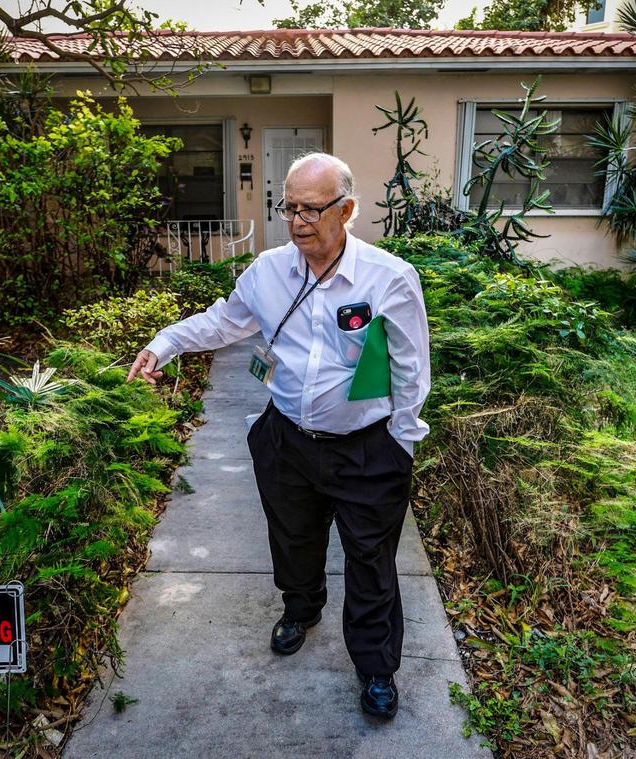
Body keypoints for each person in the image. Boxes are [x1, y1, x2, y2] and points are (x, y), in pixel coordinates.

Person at [127, 152, 430, 719]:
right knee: (293, 539)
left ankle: (376, 666)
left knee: (371, 561)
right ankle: (301, 608)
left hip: (367, 446)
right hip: (287, 439)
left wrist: (401, 441)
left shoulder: (388, 277)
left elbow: (412, 367)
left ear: (347, 210)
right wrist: (164, 344)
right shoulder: (268, 270)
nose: (296, 222)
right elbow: (223, 320)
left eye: (311, 209)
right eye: (288, 208)